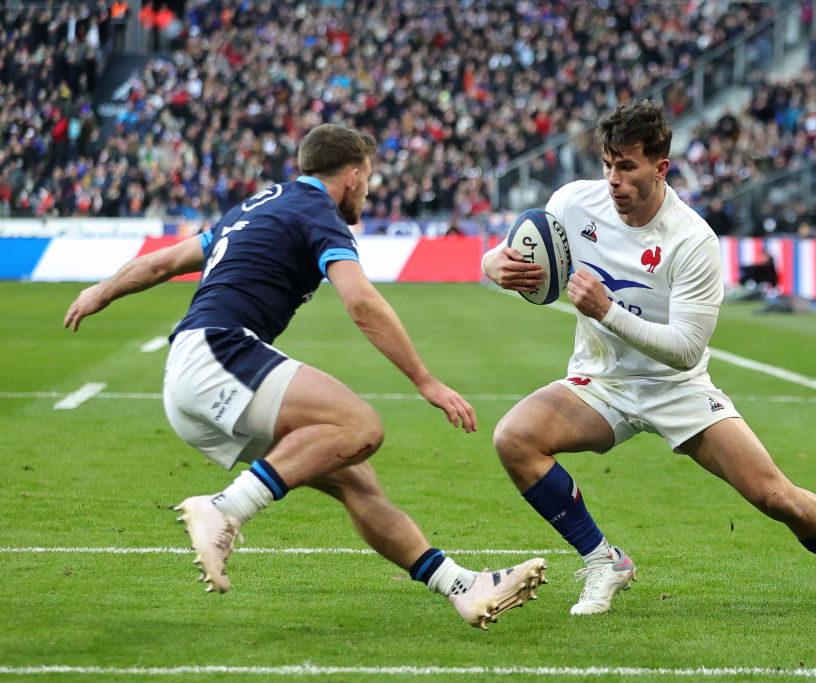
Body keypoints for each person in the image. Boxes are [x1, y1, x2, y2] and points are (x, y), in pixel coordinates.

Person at [64, 123, 546, 630]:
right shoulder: (320, 212)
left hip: (192, 377)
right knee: (359, 427)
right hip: (218, 352)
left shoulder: (259, 205)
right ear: (354, 176)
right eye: (369, 180)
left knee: (356, 479)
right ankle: (225, 508)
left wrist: (103, 290)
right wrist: (426, 381)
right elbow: (361, 302)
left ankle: (460, 586)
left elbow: (166, 261)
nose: (367, 191)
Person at [481, 99, 816, 616]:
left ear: (660, 167)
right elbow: (504, 252)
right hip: (599, 383)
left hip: (678, 388)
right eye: (607, 164)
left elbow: (685, 349)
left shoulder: (693, 240)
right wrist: (496, 264)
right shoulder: (575, 203)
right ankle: (605, 562)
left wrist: (605, 310)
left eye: (627, 166)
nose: (613, 180)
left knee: (774, 496)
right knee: (514, 438)